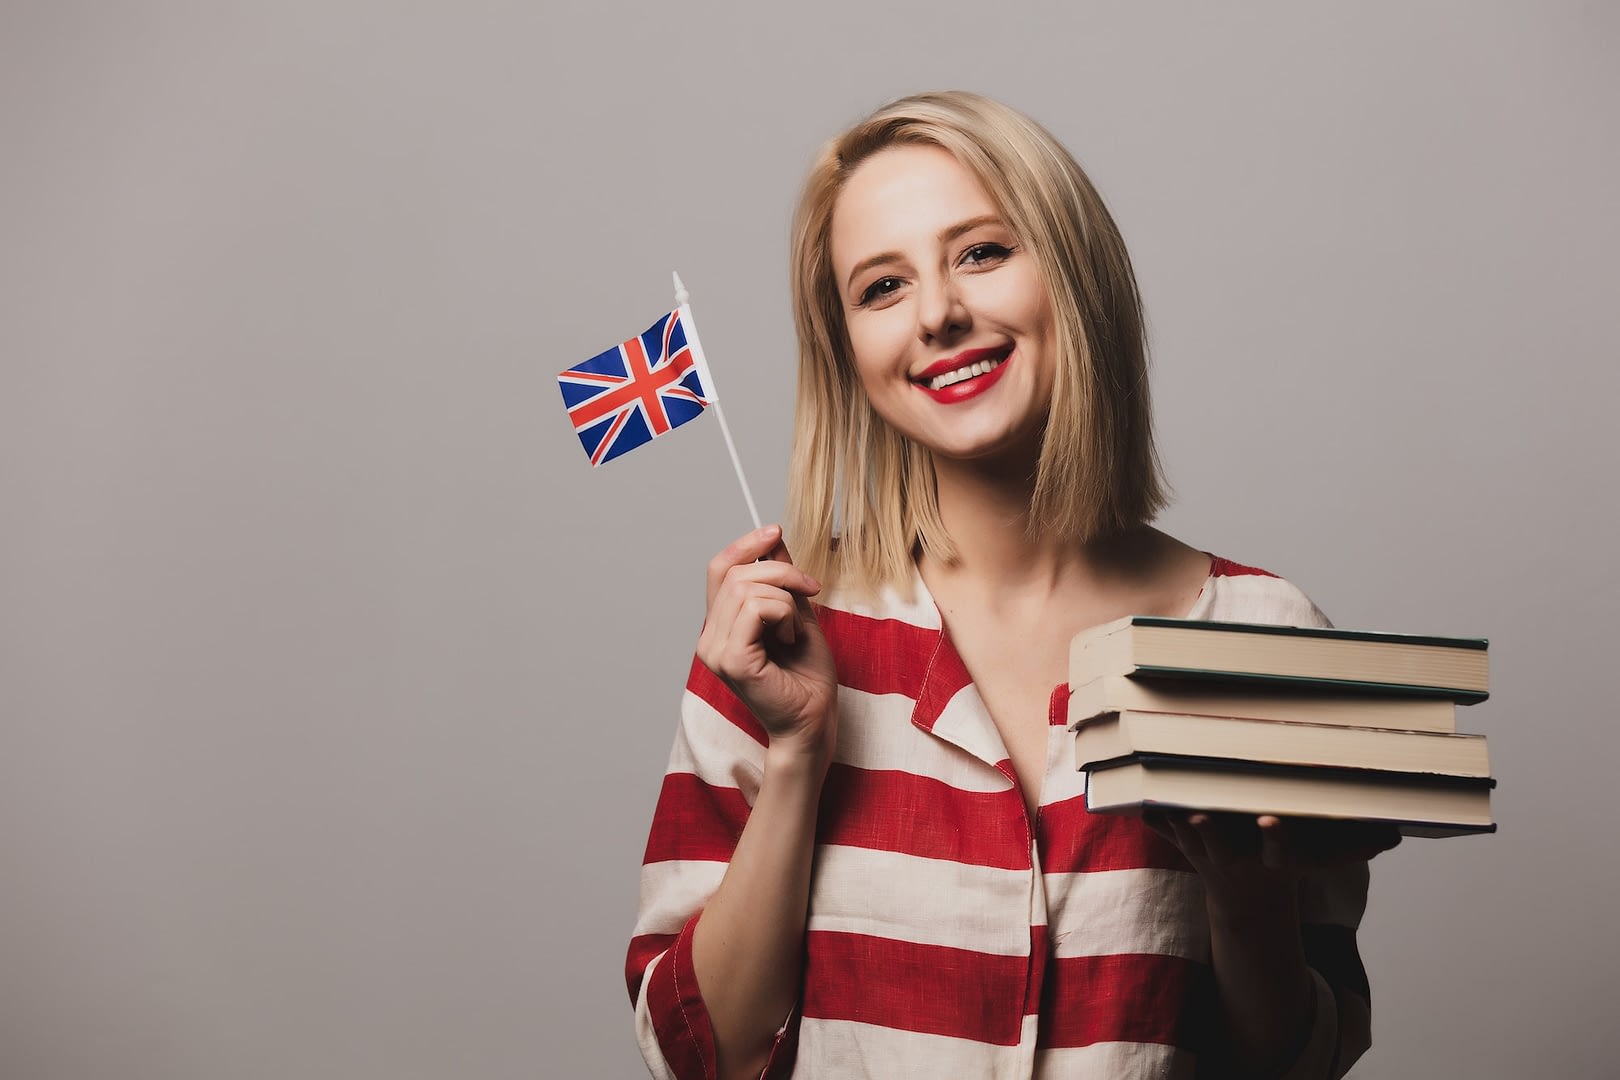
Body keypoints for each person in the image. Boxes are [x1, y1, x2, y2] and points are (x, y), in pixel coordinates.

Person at [626, 91, 1397, 1079]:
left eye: (982, 253)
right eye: (882, 287)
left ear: (1069, 273)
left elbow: (1302, 1062)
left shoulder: (1260, 632)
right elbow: (695, 1053)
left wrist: (1245, 897)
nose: (941, 314)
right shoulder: (776, 640)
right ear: (848, 352)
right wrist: (797, 758)